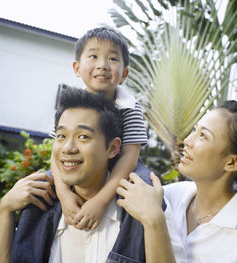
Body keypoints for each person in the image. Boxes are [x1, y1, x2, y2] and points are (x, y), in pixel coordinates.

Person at [117, 100, 237, 263]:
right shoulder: (167, 197)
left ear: (234, 162)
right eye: (195, 130)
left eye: (203, 136)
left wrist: (155, 222)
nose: (187, 141)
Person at [0, 87, 147, 263]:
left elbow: (130, 157)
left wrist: (154, 222)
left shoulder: (143, 216)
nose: (68, 148)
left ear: (112, 148)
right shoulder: (40, 206)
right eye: (61, 136)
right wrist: (5, 210)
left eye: (83, 137)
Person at [50, 27, 152, 230]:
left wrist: (100, 201)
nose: (102, 65)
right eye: (93, 56)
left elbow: (130, 156)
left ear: (124, 74)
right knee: (39, 186)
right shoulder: (70, 106)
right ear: (77, 68)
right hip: (77, 160)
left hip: (122, 164)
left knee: (146, 191)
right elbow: (56, 153)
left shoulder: (130, 106)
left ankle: (127, 254)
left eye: (112, 59)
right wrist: (64, 195)